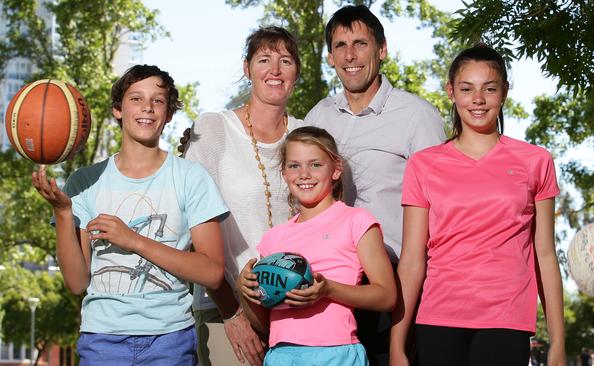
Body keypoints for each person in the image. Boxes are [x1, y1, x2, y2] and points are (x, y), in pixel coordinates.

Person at [32, 65, 227, 365]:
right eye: (136, 98)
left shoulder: (191, 178)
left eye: (158, 100)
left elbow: (212, 273)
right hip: (101, 339)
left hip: (170, 339)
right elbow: (76, 282)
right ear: (117, 110)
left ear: (169, 113)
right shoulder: (85, 183)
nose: (147, 107)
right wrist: (62, 212)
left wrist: (133, 240)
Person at [390, 44, 567, 366]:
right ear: (451, 92)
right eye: (467, 89)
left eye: (489, 89)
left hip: (506, 317)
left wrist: (558, 342)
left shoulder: (536, 161)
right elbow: (412, 259)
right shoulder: (423, 164)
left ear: (504, 92)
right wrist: (397, 343)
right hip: (438, 317)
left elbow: (544, 254)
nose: (478, 99)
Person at [303, 5, 446, 364]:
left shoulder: (417, 116)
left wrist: (415, 309)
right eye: (339, 46)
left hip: (396, 285)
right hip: (328, 286)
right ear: (331, 56)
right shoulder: (318, 116)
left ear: (382, 50)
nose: (349, 56)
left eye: (360, 43)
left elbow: (441, 213)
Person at [182, 26, 301, 366]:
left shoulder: (306, 134)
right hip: (228, 310)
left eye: (286, 61)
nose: (275, 70)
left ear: (296, 73)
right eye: (264, 59)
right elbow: (194, 233)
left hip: (297, 311)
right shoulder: (214, 129)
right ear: (247, 69)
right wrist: (232, 313)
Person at [238, 126, 397, 366]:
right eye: (294, 165)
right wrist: (246, 292)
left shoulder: (357, 221)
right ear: (283, 173)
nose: (304, 174)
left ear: (336, 169)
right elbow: (264, 322)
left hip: (335, 354)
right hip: (280, 356)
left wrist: (328, 290)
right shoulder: (273, 239)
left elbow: (387, 296)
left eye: (315, 164)